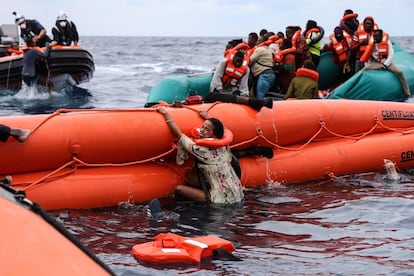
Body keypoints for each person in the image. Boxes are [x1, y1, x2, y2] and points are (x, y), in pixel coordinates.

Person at [157, 106, 244, 204]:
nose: (201, 130)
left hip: (221, 200)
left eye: (206, 129)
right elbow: (225, 130)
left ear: (214, 135)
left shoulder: (202, 150)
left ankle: (167, 205)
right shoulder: (223, 145)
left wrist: (165, 114)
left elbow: (179, 134)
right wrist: (207, 117)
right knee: (190, 178)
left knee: (178, 189)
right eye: (202, 127)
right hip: (238, 194)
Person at [360, 29, 411, 97]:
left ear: (381, 36)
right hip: (376, 63)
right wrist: (367, 66)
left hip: (387, 62)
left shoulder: (387, 43)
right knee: (363, 70)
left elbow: (391, 55)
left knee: (399, 72)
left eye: (377, 36)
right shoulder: (371, 44)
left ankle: (407, 92)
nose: (375, 38)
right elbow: (368, 57)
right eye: (374, 36)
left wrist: (385, 65)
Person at [249, 34, 276, 99]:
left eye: (258, 41)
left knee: (260, 97)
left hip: (264, 76)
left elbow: (250, 61)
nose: (257, 42)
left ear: (263, 42)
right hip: (270, 75)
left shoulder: (259, 49)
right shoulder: (269, 50)